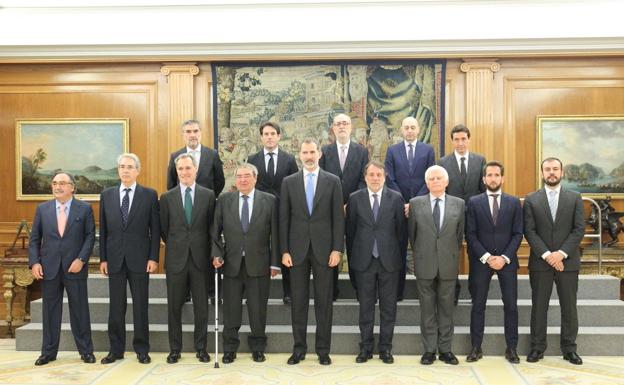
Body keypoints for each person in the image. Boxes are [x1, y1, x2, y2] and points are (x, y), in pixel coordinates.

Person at [280, 138, 344, 366]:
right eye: (305, 152)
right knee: (298, 301)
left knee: (324, 302)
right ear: (299, 155)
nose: (308, 156)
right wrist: (284, 250)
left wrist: (338, 249)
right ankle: (299, 349)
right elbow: (283, 219)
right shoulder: (288, 182)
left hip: (325, 250)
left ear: (319, 154)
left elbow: (338, 218)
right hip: (296, 251)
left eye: (312, 152)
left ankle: (323, 350)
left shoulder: (333, 181)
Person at [212, 163, 280, 364]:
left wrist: (275, 263)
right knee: (231, 310)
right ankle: (229, 349)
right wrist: (216, 254)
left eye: (247, 176)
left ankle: (258, 348)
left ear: (255, 178)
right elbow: (214, 231)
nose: (243, 179)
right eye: (239, 176)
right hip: (231, 264)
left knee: (258, 310)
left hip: (259, 264)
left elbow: (275, 234)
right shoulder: (224, 200)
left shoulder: (269, 201)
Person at [28, 171, 96, 366]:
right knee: (50, 312)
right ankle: (48, 353)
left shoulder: (84, 209)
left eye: (63, 183)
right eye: (55, 183)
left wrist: (81, 259)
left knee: (80, 310)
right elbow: (34, 240)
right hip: (49, 268)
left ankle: (86, 351)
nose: (58, 187)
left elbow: (90, 236)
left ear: (72, 187)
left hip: (75, 267)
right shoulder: (43, 209)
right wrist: (35, 262)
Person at [99, 153, 160, 365]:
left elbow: (155, 229)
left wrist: (153, 257)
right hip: (114, 259)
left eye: (130, 167)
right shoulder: (106, 195)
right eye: (122, 166)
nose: (125, 170)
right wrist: (103, 259)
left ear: (137, 170)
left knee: (140, 306)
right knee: (116, 307)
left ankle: (142, 349)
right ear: (118, 170)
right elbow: (104, 230)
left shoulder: (150, 195)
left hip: (140, 259)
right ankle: (115, 350)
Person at [523, 157, 585, 365]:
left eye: (555, 169)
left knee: (569, 308)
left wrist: (561, 254)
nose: (551, 172)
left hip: (568, 263)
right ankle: (537, 348)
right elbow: (529, 231)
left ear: (561, 172)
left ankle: (569, 349)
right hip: (541, 263)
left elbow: (579, 230)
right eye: (547, 169)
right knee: (539, 307)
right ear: (542, 173)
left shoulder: (575, 197)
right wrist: (548, 255)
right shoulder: (531, 199)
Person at [346, 160, 405, 364]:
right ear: (365, 177)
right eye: (371, 174)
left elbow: (401, 234)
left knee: (389, 309)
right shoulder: (354, 199)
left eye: (379, 174)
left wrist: (398, 259)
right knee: (366, 308)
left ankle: (386, 349)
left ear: (385, 176)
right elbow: (350, 231)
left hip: (389, 262)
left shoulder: (396, 198)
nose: (375, 178)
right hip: (364, 261)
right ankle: (366, 348)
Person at [160, 153, 216, 364]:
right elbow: (165, 230)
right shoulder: (166, 198)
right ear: (177, 172)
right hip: (176, 260)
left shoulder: (208, 195)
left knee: (201, 307)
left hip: (201, 260)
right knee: (174, 307)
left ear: (196, 170)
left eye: (188, 168)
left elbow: (212, 228)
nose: (184, 172)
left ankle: (201, 348)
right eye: (180, 169)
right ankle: (175, 349)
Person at [465, 161, 522, 364]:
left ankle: (512, 348)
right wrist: (487, 257)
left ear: (502, 178)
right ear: (483, 179)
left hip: (507, 262)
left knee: (511, 306)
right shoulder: (473, 202)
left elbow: (517, 233)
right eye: (489, 175)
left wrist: (504, 258)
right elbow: (470, 235)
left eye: (496, 175)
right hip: (482, 262)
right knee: (478, 305)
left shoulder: (514, 202)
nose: (493, 178)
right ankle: (475, 347)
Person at [408, 165, 464, 366]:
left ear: (447, 182)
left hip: (448, 263)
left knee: (447, 309)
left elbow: (459, 236)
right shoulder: (415, 204)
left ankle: (446, 350)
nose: (435, 181)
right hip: (425, 264)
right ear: (426, 183)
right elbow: (412, 237)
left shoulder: (459, 204)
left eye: (439, 178)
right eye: (431, 179)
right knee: (427, 309)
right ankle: (429, 350)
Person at [166, 119, 224, 303]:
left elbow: (219, 181)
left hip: (205, 210)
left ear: (200, 133)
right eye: (188, 131)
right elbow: (170, 184)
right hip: (183, 213)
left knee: (205, 249)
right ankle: (185, 292)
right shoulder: (175, 155)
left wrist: (207, 197)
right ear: (183, 134)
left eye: (195, 131)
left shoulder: (211, 154)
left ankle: (210, 291)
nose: (192, 134)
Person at [246, 122, 298, 304]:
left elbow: (294, 185)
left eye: (272, 133)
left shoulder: (289, 159)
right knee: (258, 249)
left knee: (285, 249)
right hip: (259, 211)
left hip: (283, 210)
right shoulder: (252, 159)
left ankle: (288, 292)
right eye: (266, 134)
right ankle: (255, 292)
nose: (269, 137)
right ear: (261, 137)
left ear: (279, 136)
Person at [319, 113, 369, 301]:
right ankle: (332, 291)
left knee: (356, 250)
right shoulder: (325, 151)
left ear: (351, 127)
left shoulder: (362, 151)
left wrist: (351, 203)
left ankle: (358, 289)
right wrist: (335, 204)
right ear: (333, 128)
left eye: (345, 123)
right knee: (331, 251)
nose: (341, 127)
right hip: (330, 213)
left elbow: (364, 181)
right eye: (338, 124)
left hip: (355, 211)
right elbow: (322, 181)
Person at [385, 116, 435, 300]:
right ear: (401, 130)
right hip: (398, 208)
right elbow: (389, 178)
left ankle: (425, 293)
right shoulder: (392, 151)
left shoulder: (428, 150)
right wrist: (403, 203)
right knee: (397, 250)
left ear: (418, 130)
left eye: (413, 127)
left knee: (422, 250)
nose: (410, 130)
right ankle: (397, 293)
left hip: (421, 208)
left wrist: (413, 203)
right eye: (406, 127)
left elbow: (430, 177)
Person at [438, 124, 486, 305]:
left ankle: (475, 292)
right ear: (452, 141)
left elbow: (483, 191)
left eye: (463, 139)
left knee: (476, 254)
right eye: (456, 139)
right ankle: (454, 294)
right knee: (451, 256)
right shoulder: (443, 162)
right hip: (451, 216)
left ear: (469, 139)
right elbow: (442, 190)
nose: (460, 143)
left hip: (475, 217)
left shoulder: (480, 161)